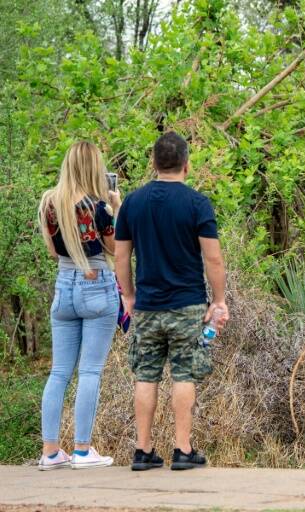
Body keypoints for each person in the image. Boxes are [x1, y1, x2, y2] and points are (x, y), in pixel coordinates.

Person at [114, 131, 228, 471]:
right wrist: (219, 300)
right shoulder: (197, 203)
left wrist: (129, 296)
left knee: (146, 376)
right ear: (186, 164)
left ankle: (143, 450)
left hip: (147, 307)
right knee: (184, 375)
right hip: (187, 305)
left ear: (154, 163)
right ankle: (182, 449)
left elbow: (121, 258)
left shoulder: (133, 202)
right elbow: (214, 259)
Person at [37, 141, 122, 470]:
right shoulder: (99, 207)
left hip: (64, 287)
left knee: (59, 372)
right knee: (89, 371)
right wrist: (116, 206)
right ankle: (84, 450)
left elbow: (53, 252)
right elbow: (115, 248)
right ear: (93, 169)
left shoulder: (49, 204)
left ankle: (50, 451)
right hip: (97, 286)